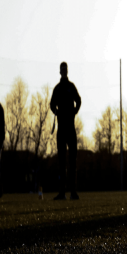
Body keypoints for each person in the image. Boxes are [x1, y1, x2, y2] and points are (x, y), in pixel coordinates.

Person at [50, 62, 82, 201]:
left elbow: (79, 100)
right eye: (62, 69)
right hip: (61, 129)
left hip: (71, 128)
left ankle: (73, 193)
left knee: (72, 161)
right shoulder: (57, 89)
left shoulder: (71, 87)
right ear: (60, 72)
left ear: (67, 71)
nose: (64, 71)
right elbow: (51, 104)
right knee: (62, 162)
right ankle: (62, 193)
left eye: (65, 69)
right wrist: (56, 111)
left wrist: (75, 111)